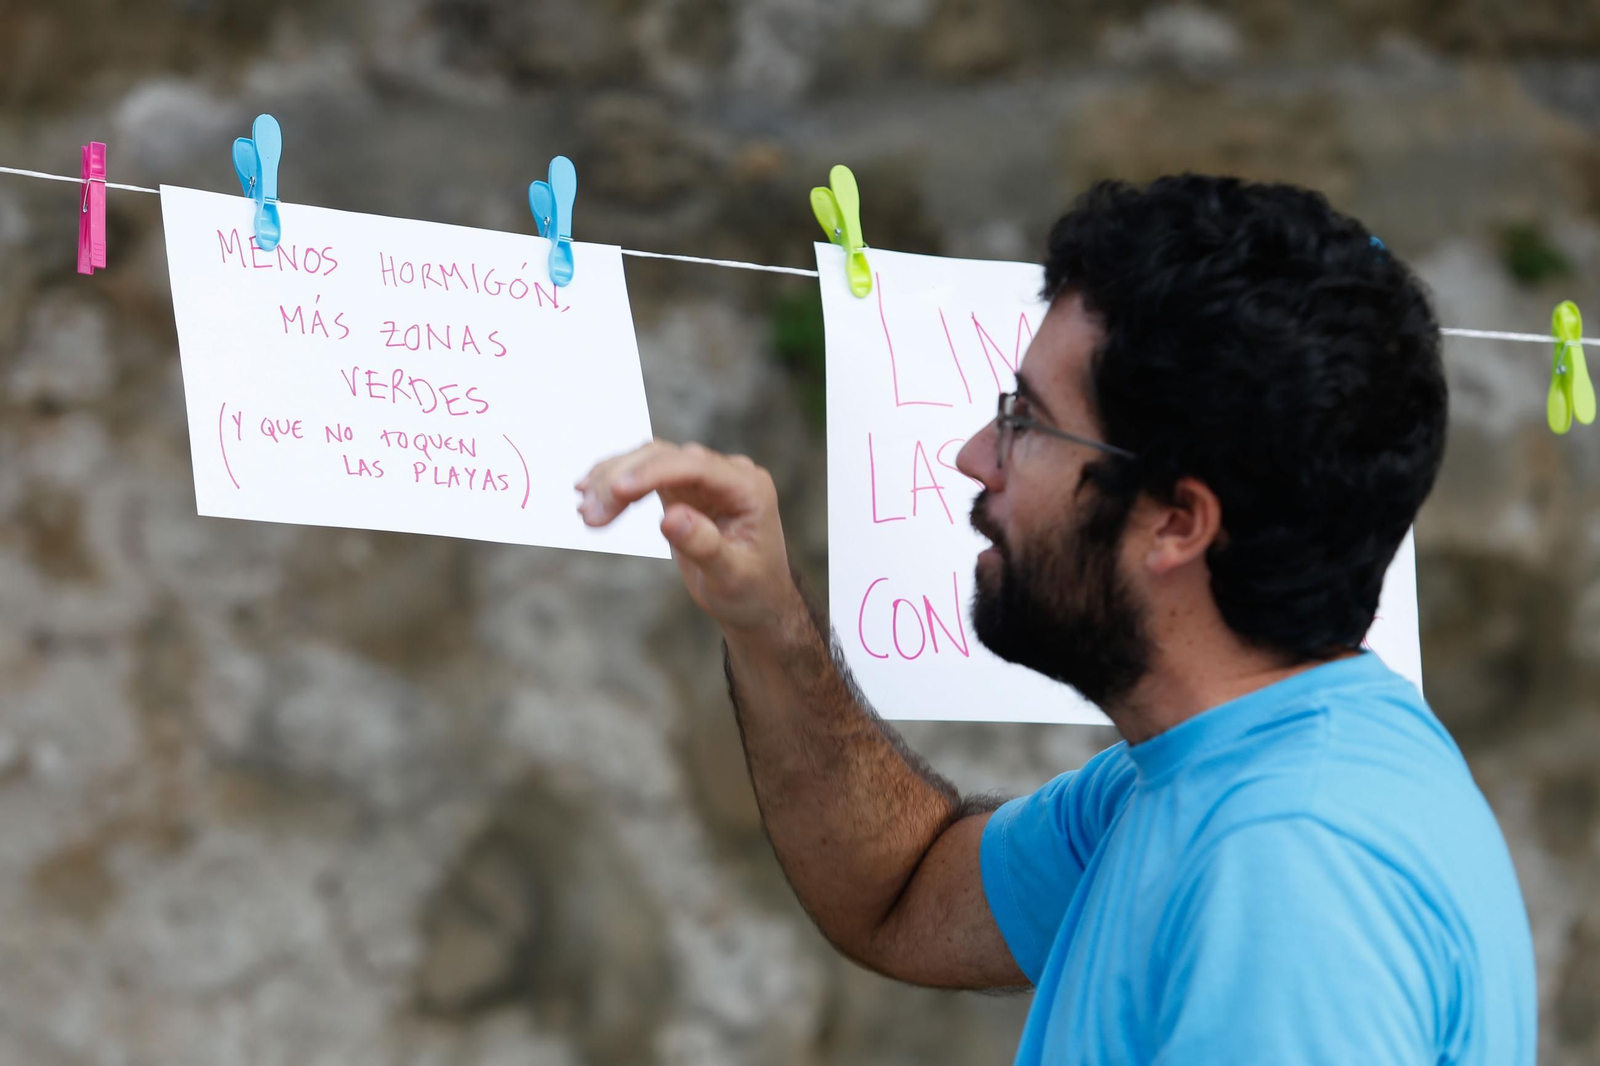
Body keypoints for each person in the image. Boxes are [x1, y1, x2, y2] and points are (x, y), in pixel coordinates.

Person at [575, 174, 1536, 1065]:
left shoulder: (1292, 869)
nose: (973, 456)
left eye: (1025, 421)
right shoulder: (1200, 774)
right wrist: (769, 622)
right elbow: (902, 895)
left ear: (1176, 521)